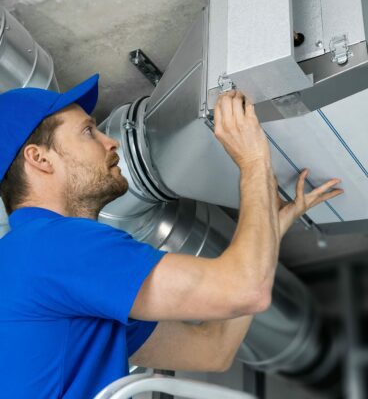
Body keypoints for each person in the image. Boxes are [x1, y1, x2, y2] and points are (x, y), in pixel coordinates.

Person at [0, 74, 343, 398]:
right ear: (40, 158)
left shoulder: (35, 262)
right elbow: (245, 290)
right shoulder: (54, 247)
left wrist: (270, 227)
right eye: (88, 131)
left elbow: (212, 348)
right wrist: (253, 160)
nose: (110, 140)